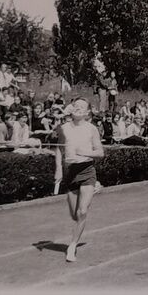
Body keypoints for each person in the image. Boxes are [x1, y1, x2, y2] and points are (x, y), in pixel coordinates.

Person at [57, 98, 105, 262]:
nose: (78, 108)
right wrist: (58, 169)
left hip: (86, 170)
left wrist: (85, 152)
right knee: (74, 215)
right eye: (75, 105)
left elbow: (100, 152)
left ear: (87, 113)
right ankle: (96, 187)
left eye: (82, 107)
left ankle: (72, 246)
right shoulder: (64, 128)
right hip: (70, 172)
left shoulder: (91, 129)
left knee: (82, 212)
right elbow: (58, 148)